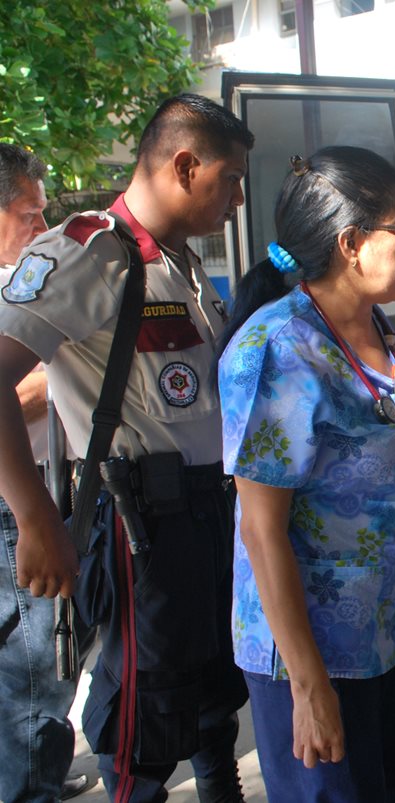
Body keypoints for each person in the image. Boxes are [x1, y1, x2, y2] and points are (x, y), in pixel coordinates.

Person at [0, 94, 254, 803]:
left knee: (212, 692)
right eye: (231, 179)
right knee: (144, 718)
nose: (238, 199)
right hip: (143, 524)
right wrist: (36, 518)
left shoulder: (180, 264)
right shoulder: (88, 254)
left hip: (207, 514)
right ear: (185, 165)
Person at [217, 146, 395, 802]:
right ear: (350, 244)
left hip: (381, 632)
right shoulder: (279, 352)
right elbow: (261, 532)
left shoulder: (378, 326)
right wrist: (309, 687)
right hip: (313, 655)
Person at [0, 143, 91, 802]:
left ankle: (36, 777)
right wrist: (63, 373)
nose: (41, 226)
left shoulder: (21, 281)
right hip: (17, 505)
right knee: (37, 669)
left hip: (37, 489)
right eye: (29, 214)